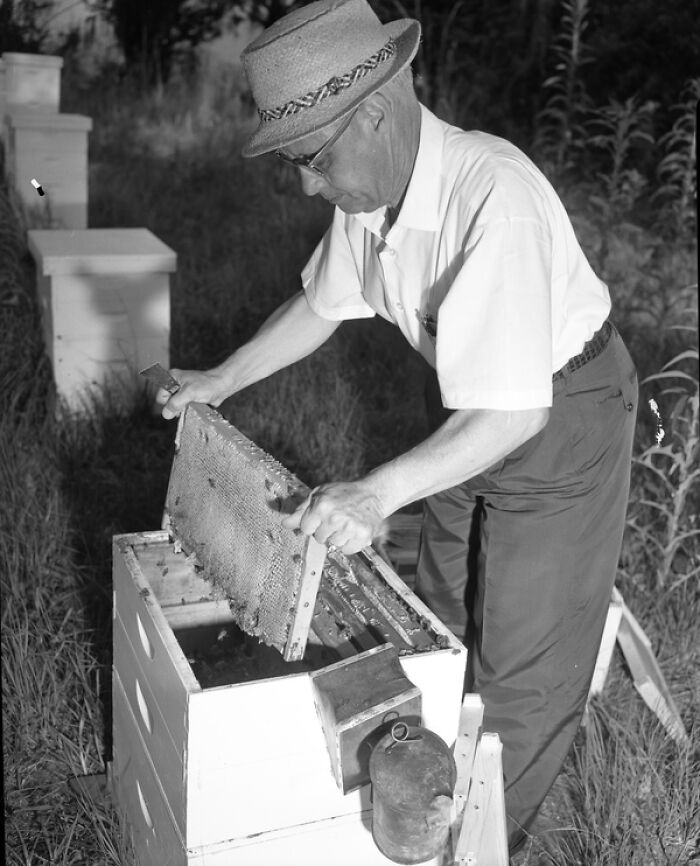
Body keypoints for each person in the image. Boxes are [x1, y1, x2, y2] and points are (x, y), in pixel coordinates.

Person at [157, 0, 638, 854]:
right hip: (461, 402)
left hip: (560, 416)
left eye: (311, 158)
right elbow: (319, 304)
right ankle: (417, 778)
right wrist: (219, 379)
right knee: (440, 616)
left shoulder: (496, 197)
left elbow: (516, 411)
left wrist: (380, 492)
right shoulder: (369, 199)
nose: (307, 184)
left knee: (521, 667)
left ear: (374, 113)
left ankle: (481, 839)